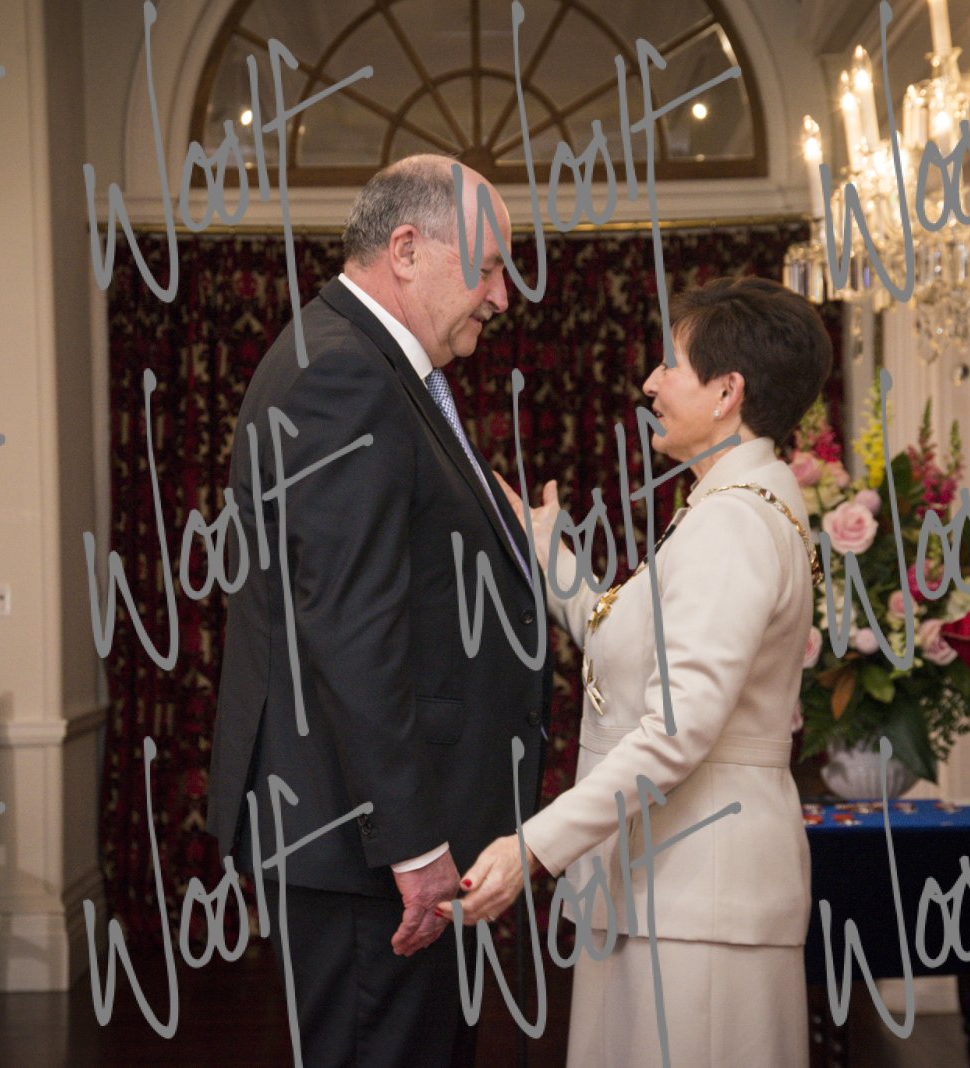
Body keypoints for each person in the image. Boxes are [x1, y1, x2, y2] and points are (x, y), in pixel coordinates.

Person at [205, 155, 550, 1068]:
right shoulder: (346, 375)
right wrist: (414, 845)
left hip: (374, 839)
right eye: (488, 268)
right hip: (371, 850)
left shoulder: (363, 361)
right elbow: (354, 630)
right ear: (406, 249)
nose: (501, 296)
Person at [449, 276, 831, 1066]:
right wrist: (549, 554)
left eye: (670, 364)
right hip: (675, 891)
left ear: (726, 392)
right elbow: (631, 643)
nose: (650, 384)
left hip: (696, 898)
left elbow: (675, 730)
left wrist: (531, 847)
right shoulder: (734, 504)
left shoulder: (732, 523)